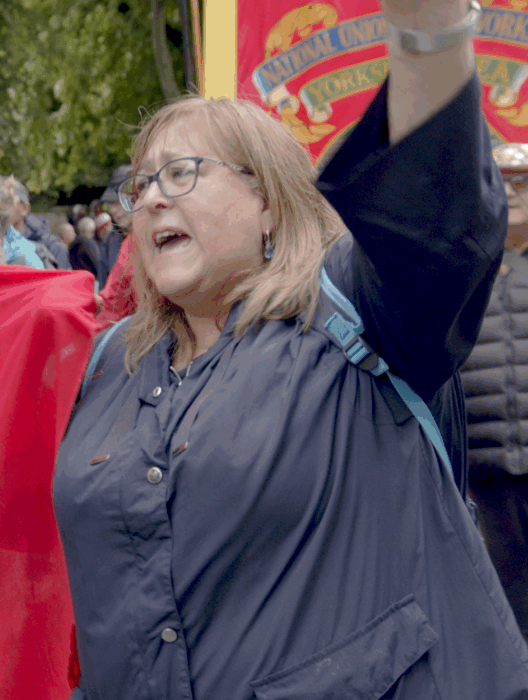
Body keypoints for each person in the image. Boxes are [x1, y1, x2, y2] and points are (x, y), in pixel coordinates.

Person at [55, 1, 528, 697]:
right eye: (141, 183)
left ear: (269, 199)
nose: (153, 198)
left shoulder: (357, 312)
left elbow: (439, 209)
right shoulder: (111, 359)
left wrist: (428, 30)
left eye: (182, 172)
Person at [461, 140, 528, 640]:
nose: (514, 190)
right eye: (503, 182)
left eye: (523, 180)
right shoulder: (465, 270)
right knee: (509, 601)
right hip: (487, 470)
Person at [9, 177, 70, 269]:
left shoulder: (53, 247)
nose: (1, 208)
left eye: (8, 201)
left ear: (25, 208)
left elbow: (65, 282)